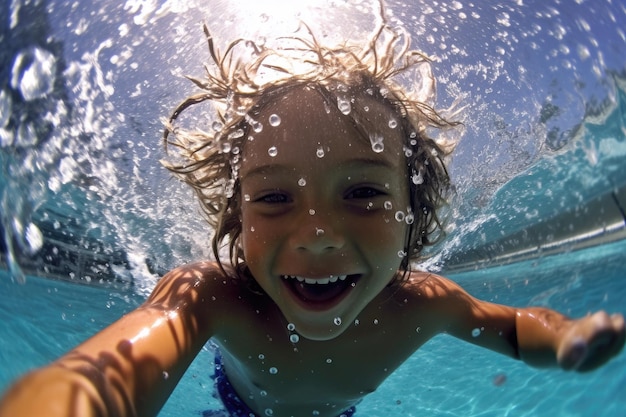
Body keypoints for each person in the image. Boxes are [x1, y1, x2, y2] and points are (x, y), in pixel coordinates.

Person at [1, 14, 624, 417]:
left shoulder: (426, 303)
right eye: (273, 199)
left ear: (415, 213)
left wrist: (565, 338)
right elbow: (114, 369)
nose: (318, 234)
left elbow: (516, 328)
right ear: (236, 220)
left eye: (363, 194)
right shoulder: (213, 297)